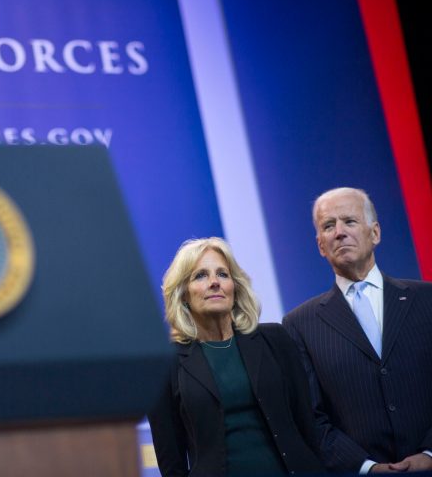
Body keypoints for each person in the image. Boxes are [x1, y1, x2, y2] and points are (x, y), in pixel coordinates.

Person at [283, 187, 432, 473]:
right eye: (329, 226)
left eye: (349, 221)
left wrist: (429, 454)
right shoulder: (299, 324)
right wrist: (368, 468)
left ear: (374, 233)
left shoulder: (426, 300)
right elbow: (312, 417)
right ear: (320, 246)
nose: (339, 232)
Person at [147, 237, 323, 476]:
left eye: (222, 274)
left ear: (235, 287)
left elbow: (307, 425)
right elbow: (172, 462)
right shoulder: (166, 365)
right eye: (200, 276)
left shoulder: (275, 339)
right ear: (183, 295)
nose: (214, 283)